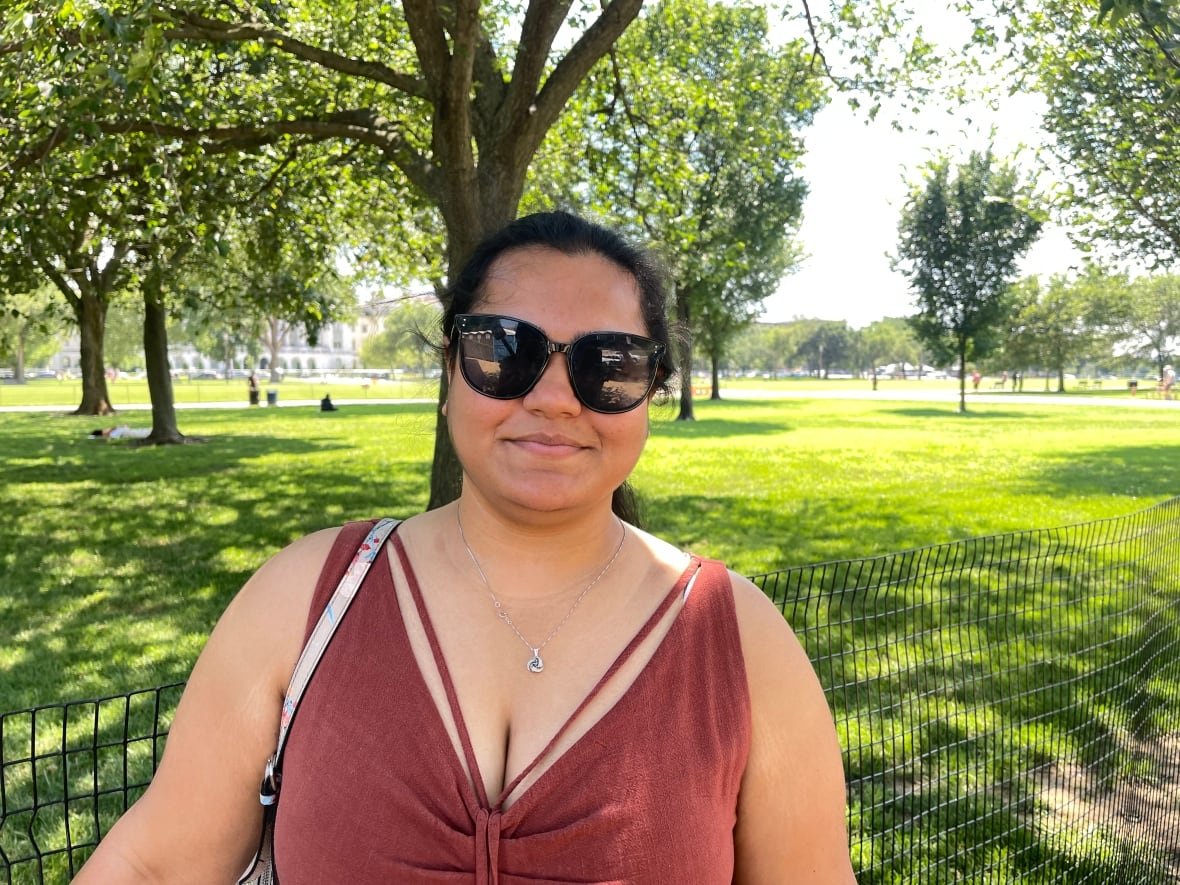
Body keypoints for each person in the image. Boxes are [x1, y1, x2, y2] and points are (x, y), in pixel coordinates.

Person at [75, 212, 854, 883]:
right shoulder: (304, 597)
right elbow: (158, 862)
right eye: (505, 349)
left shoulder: (743, 642)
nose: (552, 399)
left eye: (606, 365)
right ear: (451, 367)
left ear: (651, 392)